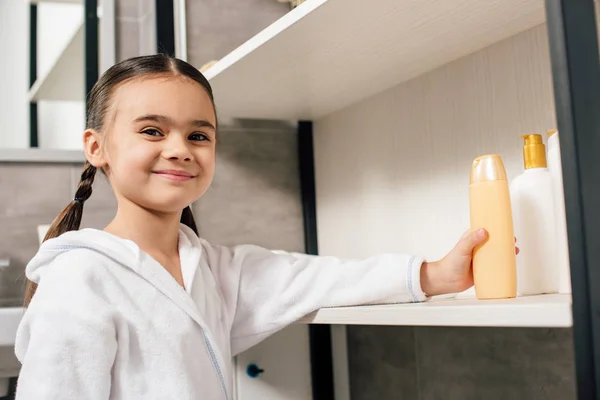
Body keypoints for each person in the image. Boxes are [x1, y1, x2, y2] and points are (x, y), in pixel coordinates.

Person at [14, 54, 517, 400]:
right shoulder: (80, 278)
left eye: (199, 134)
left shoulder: (209, 267)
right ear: (96, 147)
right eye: (152, 130)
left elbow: (317, 277)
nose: (180, 148)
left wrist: (433, 275)